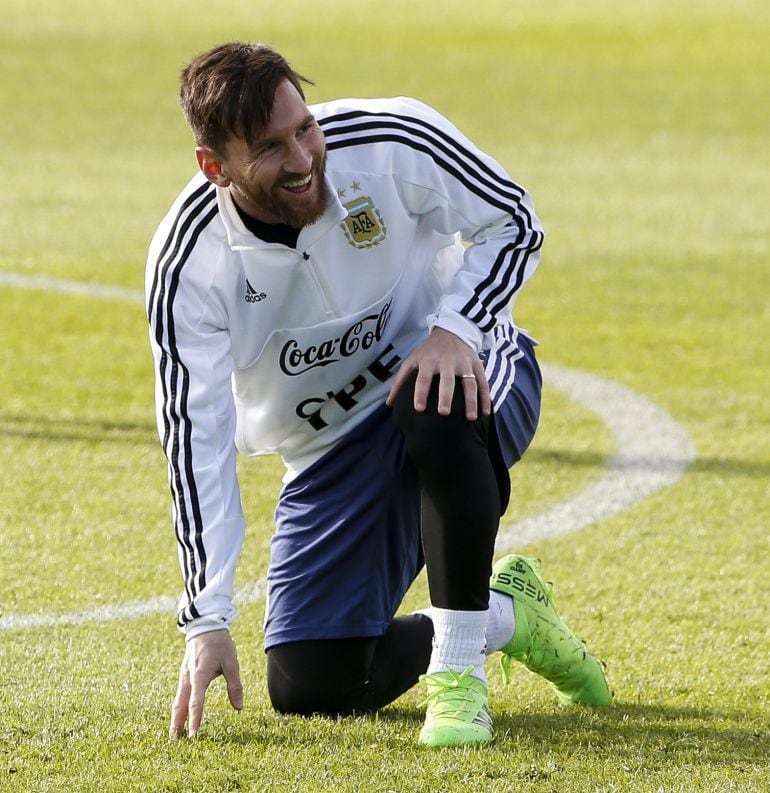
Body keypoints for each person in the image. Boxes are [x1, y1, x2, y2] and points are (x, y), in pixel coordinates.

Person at [146, 41, 611, 749]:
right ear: (215, 167)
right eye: (270, 149)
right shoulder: (190, 264)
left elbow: (514, 220)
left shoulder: (391, 140)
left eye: (304, 128)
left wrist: (456, 327)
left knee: (428, 397)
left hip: (472, 375)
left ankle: (459, 680)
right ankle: (510, 615)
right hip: (331, 450)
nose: (302, 159)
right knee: (311, 683)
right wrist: (207, 617)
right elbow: (195, 435)